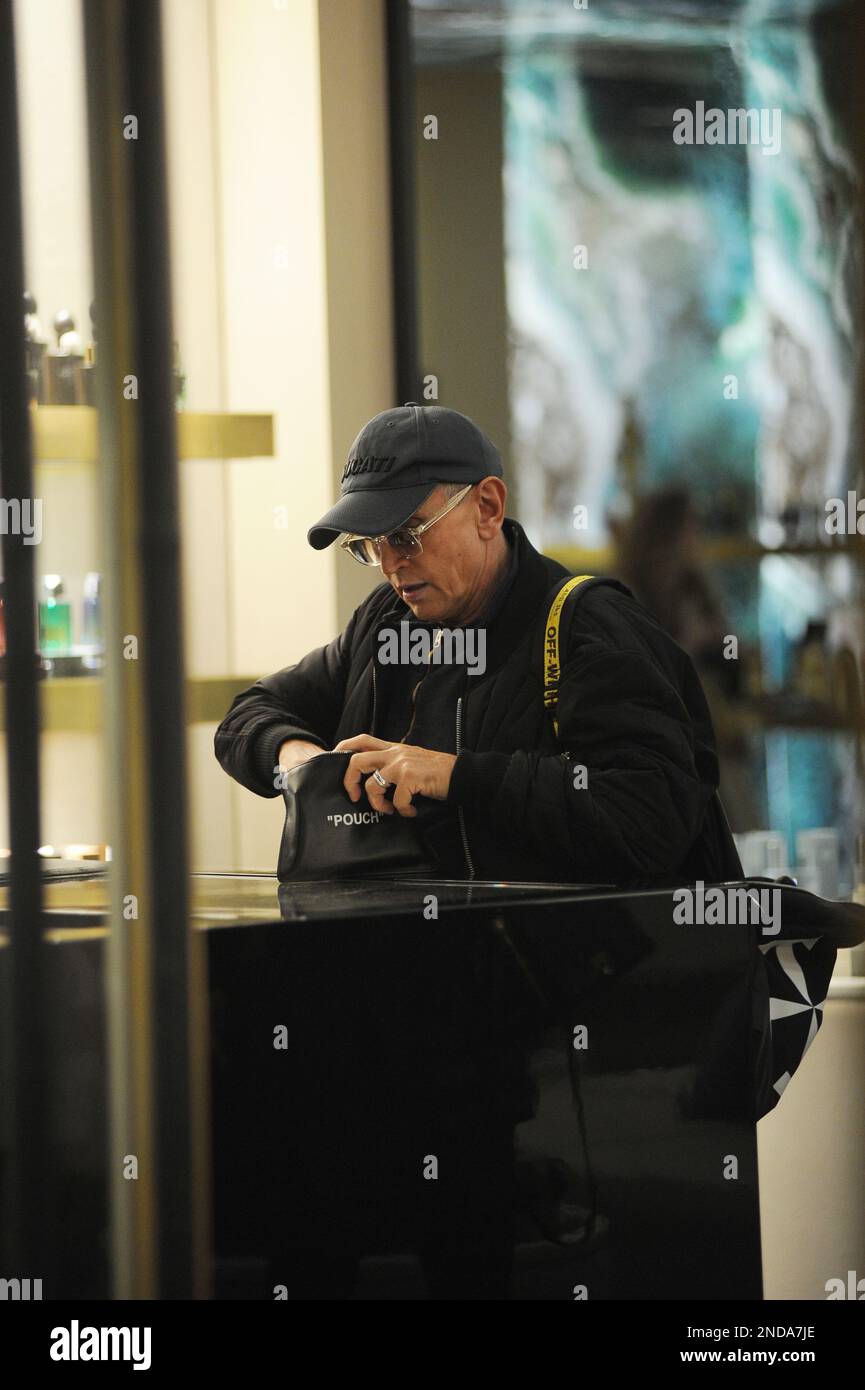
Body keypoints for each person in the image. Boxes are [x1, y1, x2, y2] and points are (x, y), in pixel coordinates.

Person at [214, 402, 739, 886]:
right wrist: (300, 761)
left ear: (487, 507)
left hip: (571, 979)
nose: (393, 564)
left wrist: (454, 775)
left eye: (408, 534)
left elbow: (650, 816)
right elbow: (248, 715)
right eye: (371, 546)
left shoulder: (589, 628)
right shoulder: (387, 626)